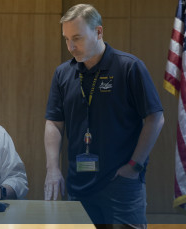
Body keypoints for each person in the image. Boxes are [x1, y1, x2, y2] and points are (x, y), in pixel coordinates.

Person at [44, 4, 164, 227]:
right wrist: (52, 169)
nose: (71, 46)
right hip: (78, 183)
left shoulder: (129, 67)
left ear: (99, 32)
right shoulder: (63, 73)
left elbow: (155, 118)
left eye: (77, 38)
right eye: (66, 39)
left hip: (121, 183)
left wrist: (134, 166)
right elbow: (54, 122)